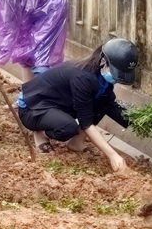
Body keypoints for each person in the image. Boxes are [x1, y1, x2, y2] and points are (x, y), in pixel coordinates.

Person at [18, 39, 138, 171]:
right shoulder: (83, 78)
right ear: (104, 61)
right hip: (32, 108)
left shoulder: (101, 77)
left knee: (101, 104)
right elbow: (86, 122)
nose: (115, 79)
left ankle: (76, 142)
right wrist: (113, 155)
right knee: (67, 127)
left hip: (58, 104)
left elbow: (109, 106)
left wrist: (139, 123)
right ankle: (41, 135)